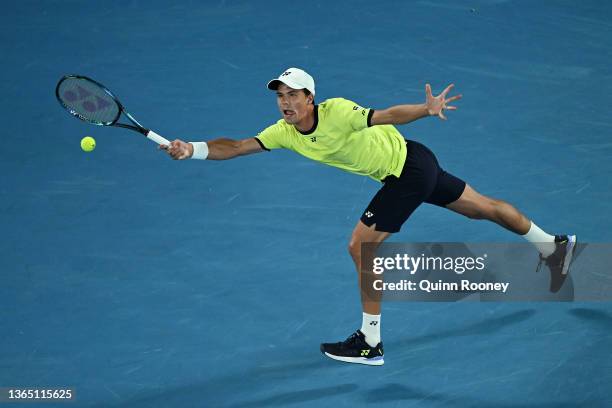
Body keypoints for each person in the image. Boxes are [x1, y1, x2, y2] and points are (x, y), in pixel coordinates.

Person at [161, 67, 577, 366]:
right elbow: (234, 146)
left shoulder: (339, 110)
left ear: (311, 98)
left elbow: (386, 115)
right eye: (280, 96)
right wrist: (191, 148)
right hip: (417, 161)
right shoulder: (283, 132)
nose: (285, 102)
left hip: (407, 171)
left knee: (360, 247)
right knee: (482, 208)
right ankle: (553, 246)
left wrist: (424, 109)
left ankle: (370, 341)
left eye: (293, 95)